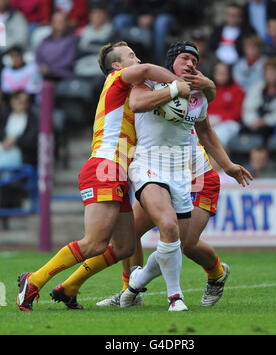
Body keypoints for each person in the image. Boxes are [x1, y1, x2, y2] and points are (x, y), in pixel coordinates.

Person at [50, 41, 252, 312]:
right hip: (158, 171)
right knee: (130, 235)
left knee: (184, 244)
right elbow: (136, 103)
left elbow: (206, 130)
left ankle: (215, 273)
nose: (191, 63)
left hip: (197, 176)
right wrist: (177, 87)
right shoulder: (146, 84)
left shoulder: (197, 94)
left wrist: (227, 165)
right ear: (171, 63)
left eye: (195, 60)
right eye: (185, 58)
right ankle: (121, 289)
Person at [16, 41, 188, 311]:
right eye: (131, 56)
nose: (137, 58)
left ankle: (73, 287)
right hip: (105, 166)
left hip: (116, 171)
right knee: (95, 242)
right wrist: (178, 85)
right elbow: (145, 70)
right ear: (117, 65)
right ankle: (34, 280)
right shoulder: (117, 78)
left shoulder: (130, 93)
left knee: (125, 247)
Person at [207, 61, 245, 148]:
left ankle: (217, 161)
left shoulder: (236, 89)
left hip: (229, 123)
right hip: (209, 122)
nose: (221, 76)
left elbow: (237, 113)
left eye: (223, 73)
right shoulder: (208, 89)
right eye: (218, 73)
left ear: (229, 74)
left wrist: (220, 119)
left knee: (216, 137)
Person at [35, 11, 77, 81]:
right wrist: (41, 66)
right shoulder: (46, 40)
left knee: (46, 86)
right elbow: (38, 55)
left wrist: (50, 69)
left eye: (61, 22)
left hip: (62, 76)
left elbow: (67, 62)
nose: (58, 25)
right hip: (43, 74)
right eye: (55, 22)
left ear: (67, 23)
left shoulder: (71, 41)